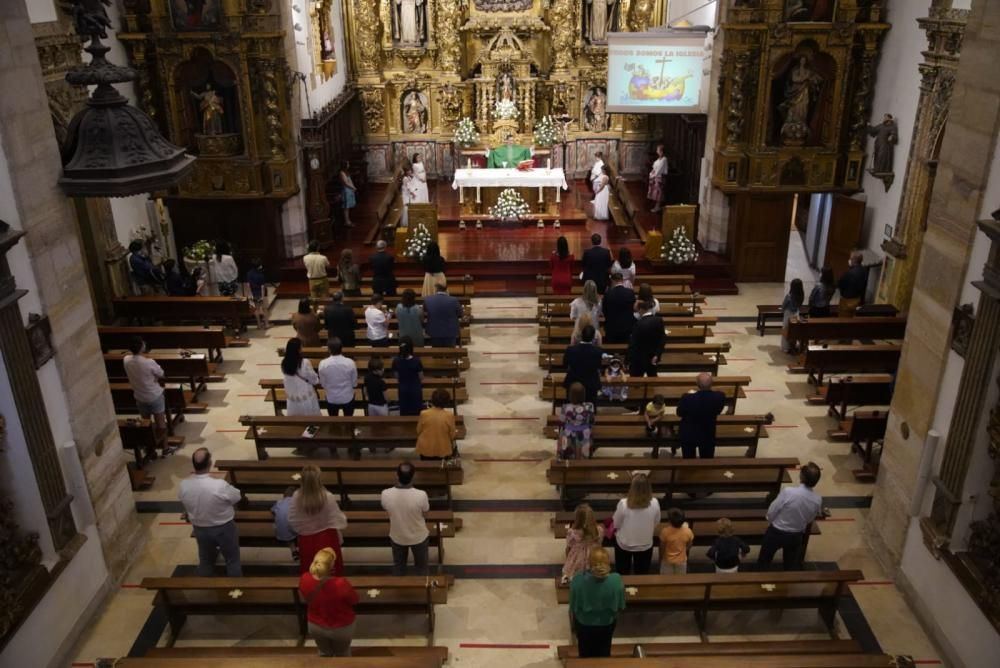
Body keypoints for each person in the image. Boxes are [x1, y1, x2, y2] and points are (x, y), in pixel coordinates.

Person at [178, 448, 242, 576]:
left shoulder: (184, 485)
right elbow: (237, 497)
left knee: (206, 560)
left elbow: (185, 503)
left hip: (200, 529)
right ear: (209, 463)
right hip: (224, 528)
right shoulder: (219, 485)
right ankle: (236, 590)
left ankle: (205, 588)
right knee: (232, 560)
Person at [758, 461, 823, 570]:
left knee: (764, 560)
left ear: (801, 476)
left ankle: (759, 579)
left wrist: (770, 521)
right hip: (796, 535)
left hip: (776, 532)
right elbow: (810, 519)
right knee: (790, 564)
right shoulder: (817, 499)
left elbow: (773, 509)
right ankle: (787, 583)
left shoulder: (789, 492)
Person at [290, 465, 348, 575]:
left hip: (306, 539)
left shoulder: (297, 496)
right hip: (327, 538)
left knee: (311, 571)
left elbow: (292, 519)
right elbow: (339, 520)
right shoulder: (327, 496)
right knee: (331, 570)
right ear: (319, 479)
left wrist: (307, 527)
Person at [299, 548, 358, 657]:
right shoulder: (341, 584)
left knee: (324, 653)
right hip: (341, 626)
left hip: (316, 625)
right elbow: (354, 600)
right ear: (331, 567)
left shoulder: (305, 578)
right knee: (342, 653)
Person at [569, 547, 625, 658]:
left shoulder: (578, 579)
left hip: (584, 622)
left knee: (584, 651)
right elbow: (620, 605)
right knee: (604, 649)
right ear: (608, 561)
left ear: (589, 562)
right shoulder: (616, 580)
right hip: (607, 622)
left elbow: (573, 606)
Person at [381, 462, 431, 575]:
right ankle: (422, 589)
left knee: (399, 567)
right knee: (421, 568)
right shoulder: (421, 495)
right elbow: (426, 515)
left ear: (396, 475)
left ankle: (400, 590)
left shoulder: (385, 494)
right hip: (418, 536)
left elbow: (387, 510)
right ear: (413, 476)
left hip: (397, 535)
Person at [123, 336, 167, 449]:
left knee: (145, 424)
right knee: (160, 423)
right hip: (154, 395)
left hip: (139, 396)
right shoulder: (149, 362)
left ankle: (150, 449)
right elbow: (161, 374)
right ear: (142, 347)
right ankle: (165, 448)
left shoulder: (126, 360)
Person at [612, 473, 660, 574]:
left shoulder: (624, 503)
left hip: (625, 544)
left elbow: (616, 524)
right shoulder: (655, 502)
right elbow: (656, 521)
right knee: (642, 573)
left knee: (622, 572)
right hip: (645, 544)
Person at [677, 373, 727, 459]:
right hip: (707, 432)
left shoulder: (687, 398)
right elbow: (718, 410)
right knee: (706, 459)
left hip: (689, 433)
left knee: (689, 459)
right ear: (712, 384)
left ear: (697, 384)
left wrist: (691, 395)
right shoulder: (719, 397)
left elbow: (679, 413)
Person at [562, 503, 604, 584]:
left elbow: (569, 546)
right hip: (593, 556)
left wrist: (568, 559)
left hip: (577, 558)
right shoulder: (599, 530)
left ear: (577, 519)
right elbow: (600, 544)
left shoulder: (572, 532)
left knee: (574, 574)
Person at [563, 324, 604, 405]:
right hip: (591, 384)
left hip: (573, 382)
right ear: (593, 338)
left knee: (572, 406)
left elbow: (565, 364)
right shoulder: (598, 351)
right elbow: (599, 366)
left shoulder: (570, 350)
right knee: (590, 407)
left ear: (581, 335)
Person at [318, 337, 358, 416]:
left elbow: (323, 384)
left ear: (329, 349)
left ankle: (334, 427)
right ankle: (349, 428)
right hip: (347, 397)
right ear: (341, 348)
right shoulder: (350, 363)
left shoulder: (323, 364)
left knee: (333, 420)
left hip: (331, 398)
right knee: (348, 419)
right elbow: (354, 383)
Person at [282, 338, 321, 416]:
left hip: (292, 398)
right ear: (299, 350)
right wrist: (317, 380)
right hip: (305, 398)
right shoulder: (304, 362)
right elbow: (314, 379)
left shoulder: (284, 363)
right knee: (311, 420)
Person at [416, 388, 457, 460]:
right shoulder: (449, 415)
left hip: (425, 449)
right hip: (442, 449)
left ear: (432, 400)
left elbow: (418, 430)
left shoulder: (424, 413)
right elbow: (452, 435)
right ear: (447, 402)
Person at [628, 300, 666, 377]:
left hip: (639, 358)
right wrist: (657, 354)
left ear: (641, 309)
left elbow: (633, 343)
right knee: (652, 377)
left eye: (638, 310)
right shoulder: (659, 320)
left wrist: (628, 359)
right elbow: (662, 339)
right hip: (653, 356)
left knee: (636, 381)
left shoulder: (639, 324)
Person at [559, 382, 595, 460]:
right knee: (583, 456)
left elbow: (562, 422)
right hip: (584, 434)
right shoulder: (589, 406)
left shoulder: (565, 407)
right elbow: (592, 421)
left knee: (568, 455)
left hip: (569, 434)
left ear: (570, 395)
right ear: (583, 395)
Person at [602, 272, 636, 344]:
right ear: (622, 280)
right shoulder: (630, 293)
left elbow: (604, 310)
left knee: (611, 346)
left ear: (613, 281)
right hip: (627, 325)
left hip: (612, 326)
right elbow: (633, 308)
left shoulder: (608, 294)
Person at [392, 338, 424, 416]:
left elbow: (396, 376)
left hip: (403, 389)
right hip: (415, 389)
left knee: (404, 411)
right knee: (416, 412)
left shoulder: (396, 361)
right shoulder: (416, 361)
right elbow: (421, 376)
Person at [424, 283, 462, 347]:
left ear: (436, 290)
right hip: (450, 331)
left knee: (436, 352)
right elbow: (460, 314)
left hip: (434, 331)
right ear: (446, 290)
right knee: (450, 353)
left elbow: (425, 312)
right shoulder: (453, 300)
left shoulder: (428, 300)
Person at [659, 507, 694, 574]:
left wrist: (660, 558)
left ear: (669, 521)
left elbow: (662, 547)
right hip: (681, 560)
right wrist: (683, 549)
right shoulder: (688, 531)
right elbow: (690, 545)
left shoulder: (665, 532)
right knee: (680, 579)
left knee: (665, 580)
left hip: (667, 560)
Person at [837, 251, 867, 316]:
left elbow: (840, 284)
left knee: (843, 318)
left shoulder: (849, 274)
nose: (849, 260)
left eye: (850, 258)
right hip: (857, 299)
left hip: (847, 301)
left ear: (854, 260)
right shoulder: (863, 270)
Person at [781, 278, 805, 354]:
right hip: (796, 313)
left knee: (786, 329)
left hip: (788, 313)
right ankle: (793, 345)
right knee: (794, 330)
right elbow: (799, 305)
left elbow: (784, 306)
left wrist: (782, 310)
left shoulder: (789, 296)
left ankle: (785, 347)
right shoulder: (801, 295)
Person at [272, 486, 298, 557]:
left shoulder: (279, 502)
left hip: (280, 532)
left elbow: (272, 510)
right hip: (293, 530)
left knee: (286, 528)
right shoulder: (296, 502)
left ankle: (293, 550)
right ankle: (297, 550)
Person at [246, 258, 270, 329]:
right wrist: (262, 296)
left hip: (254, 293)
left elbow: (248, 285)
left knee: (257, 309)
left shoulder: (249, 273)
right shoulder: (260, 275)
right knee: (264, 309)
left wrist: (250, 294)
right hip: (261, 293)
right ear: (259, 266)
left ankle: (259, 325)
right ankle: (266, 324)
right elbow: (262, 287)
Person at [647, 143, 668, 213]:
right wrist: (651, 173)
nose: (657, 151)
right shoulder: (659, 159)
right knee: (655, 193)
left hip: (659, 178)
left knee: (658, 194)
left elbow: (659, 170)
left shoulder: (664, 159)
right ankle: (656, 206)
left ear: (661, 151)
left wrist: (653, 175)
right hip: (655, 177)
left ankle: (657, 207)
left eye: (658, 150)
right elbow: (654, 167)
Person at [339, 161, 357, 227]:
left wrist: (353, 187)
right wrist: (353, 187)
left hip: (349, 190)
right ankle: (347, 222)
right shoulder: (341, 173)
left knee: (348, 207)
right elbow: (346, 183)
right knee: (346, 207)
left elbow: (350, 181)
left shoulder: (346, 172)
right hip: (346, 191)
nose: (349, 165)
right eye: (348, 163)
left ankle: (348, 220)